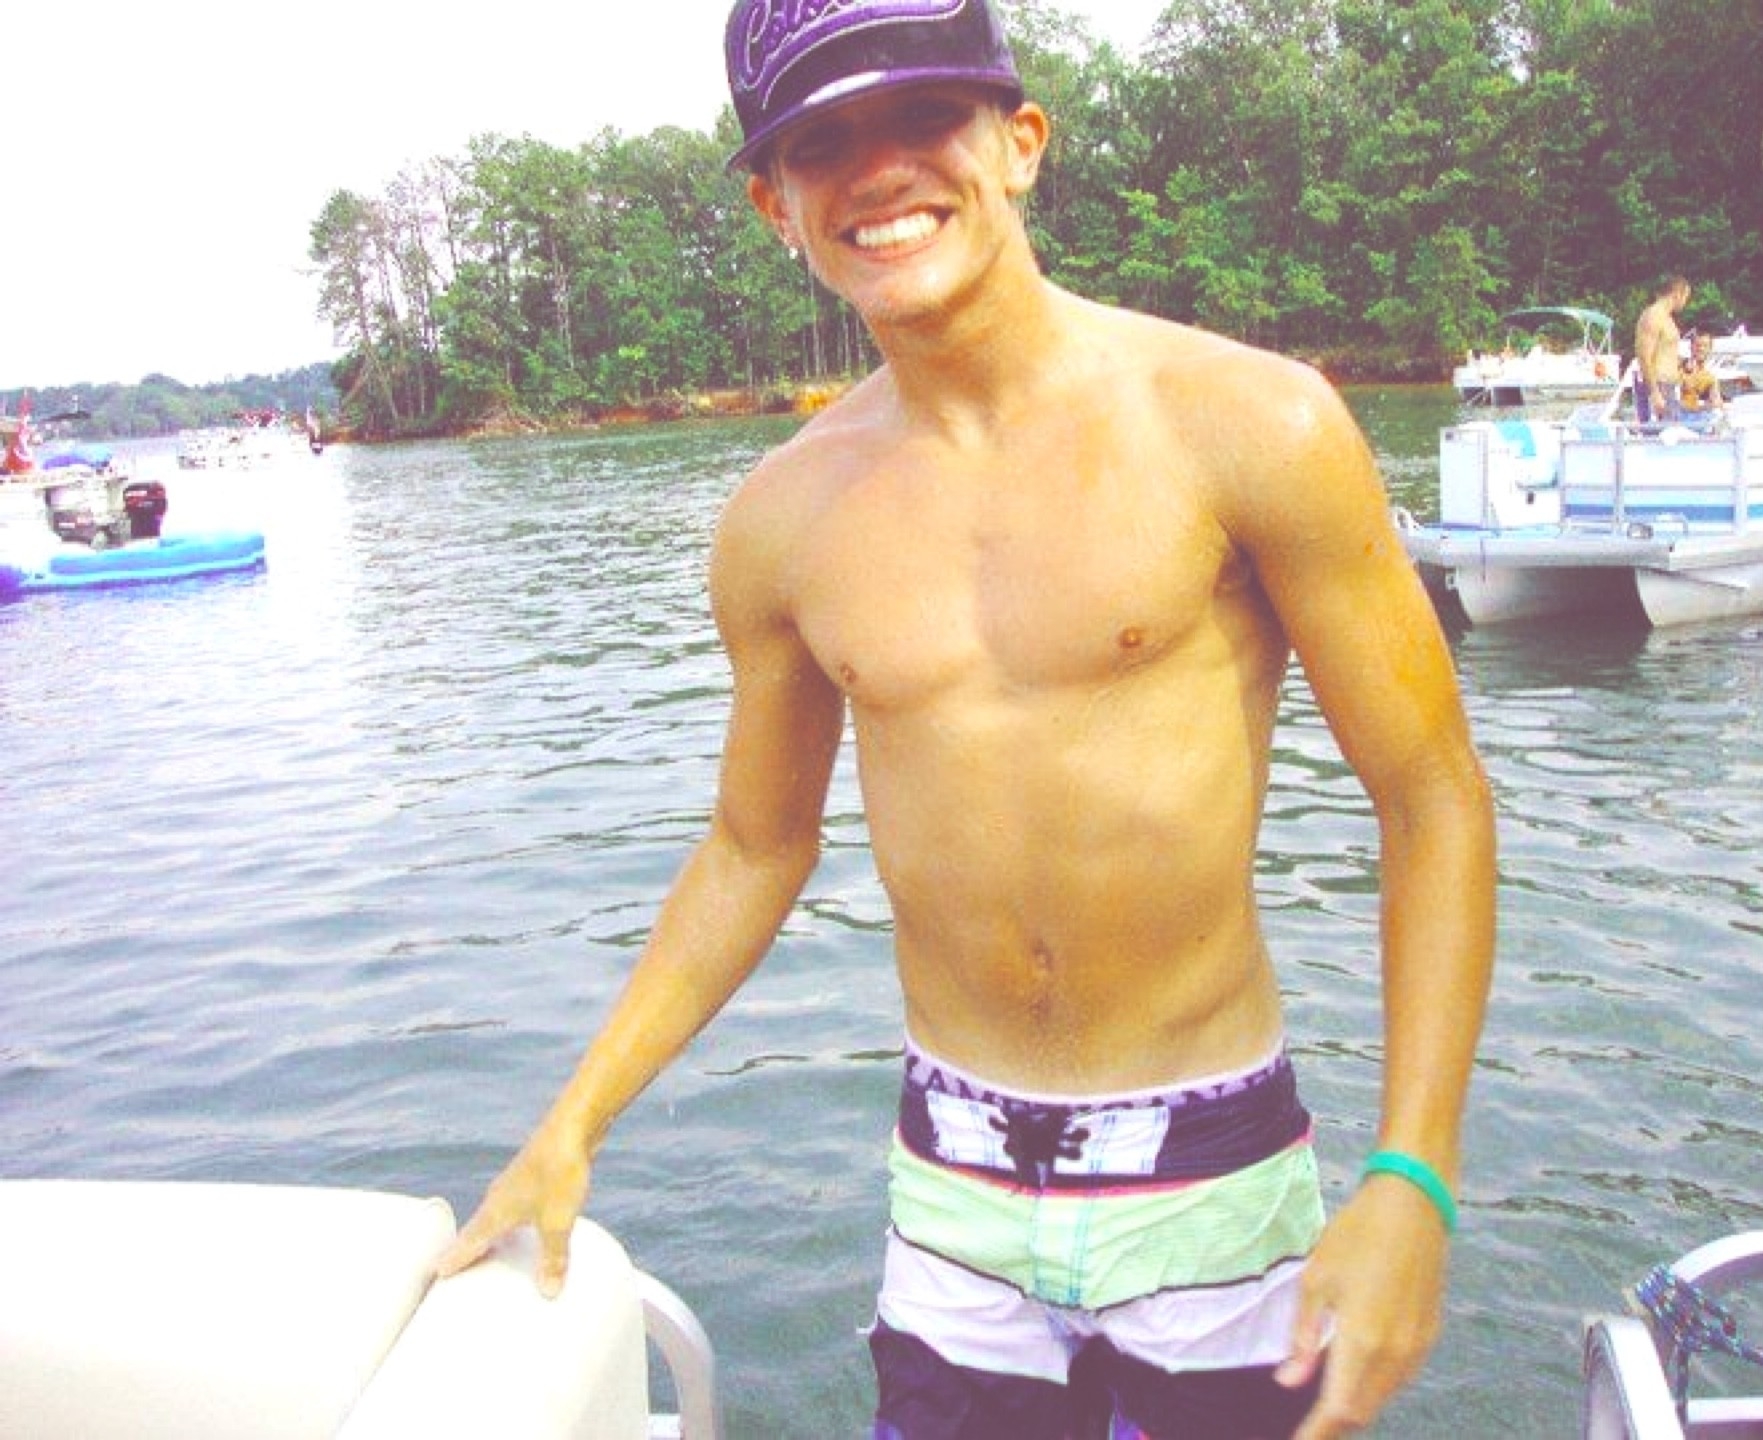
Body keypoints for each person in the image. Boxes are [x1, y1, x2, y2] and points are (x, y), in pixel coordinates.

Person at [436, 3, 1496, 1437]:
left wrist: (1414, 1175)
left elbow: (1431, 795)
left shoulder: (1251, 425)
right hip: (952, 1190)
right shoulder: (780, 522)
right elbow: (755, 847)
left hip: (1212, 1168)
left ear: (1019, 142)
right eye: (823, 143)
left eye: (924, 116)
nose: (879, 170)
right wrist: (573, 1121)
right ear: (775, 205)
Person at [1634, 274, 1691, 423]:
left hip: (1669, 385)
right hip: (1657, 384)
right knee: (1658, 433)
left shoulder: (1667, 318)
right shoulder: (1653, 316)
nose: (1685, 302)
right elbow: (1644, 356)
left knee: (1672, 433)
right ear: (1677, 293)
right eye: (1685, 297)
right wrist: (1654, 392)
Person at [1678, 332, 1726, 420]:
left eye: (1705, 346)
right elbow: (1674, 402)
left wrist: (1716, 404)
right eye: (1697, 345)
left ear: (1710, 349)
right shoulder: (1679, 368)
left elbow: (1717, 401)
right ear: (1691, 347)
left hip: (1695, 418)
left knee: (1718, 414)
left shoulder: (1709, 377)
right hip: (1677, 417)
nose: (1701, 349)